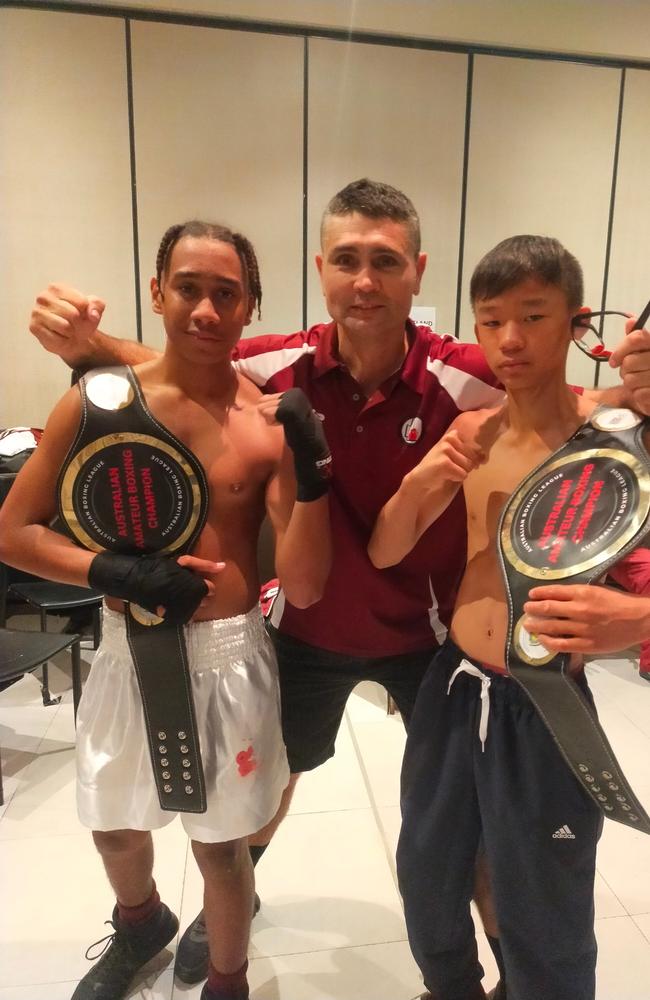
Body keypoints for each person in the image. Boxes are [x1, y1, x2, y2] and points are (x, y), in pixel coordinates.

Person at [27, 180, 650, 989]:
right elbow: (181, 360)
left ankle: (514, 972)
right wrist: (84, 340)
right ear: (321, 267)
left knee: (474, 840)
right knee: (273, 775)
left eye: (385, 261)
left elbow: (573, 401)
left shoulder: (465, 376)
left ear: (417, 272)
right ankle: (234, 900)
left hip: (432, 642)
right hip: (308, 624)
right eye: (348, 260)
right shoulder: (282, 362)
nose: (365, 280)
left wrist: (638, 391)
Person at [0, 220, 332, 1000]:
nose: (207, 310)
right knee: (114, 823)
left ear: (251, 307)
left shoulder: (266, 426)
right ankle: (142, 920)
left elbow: (309, 585)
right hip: (126, 648)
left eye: (228, 293)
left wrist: (313, 475)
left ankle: (228, 980)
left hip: (230, 656)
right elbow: (12, 531)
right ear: (157, 292)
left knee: (222, 849)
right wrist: (110, 569)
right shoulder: (97, 404)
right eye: (189, 288)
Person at [369, 234, 650, 1000]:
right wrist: (426, 478)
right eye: (491, 321)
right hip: (453, 688)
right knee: (429, 870)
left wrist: (635, 619)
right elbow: (389, 550)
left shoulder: (617, 440)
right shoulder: (469, 433)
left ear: (576, 323)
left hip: (547, 703)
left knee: (545, 902)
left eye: (533, 315)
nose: (512, 340)